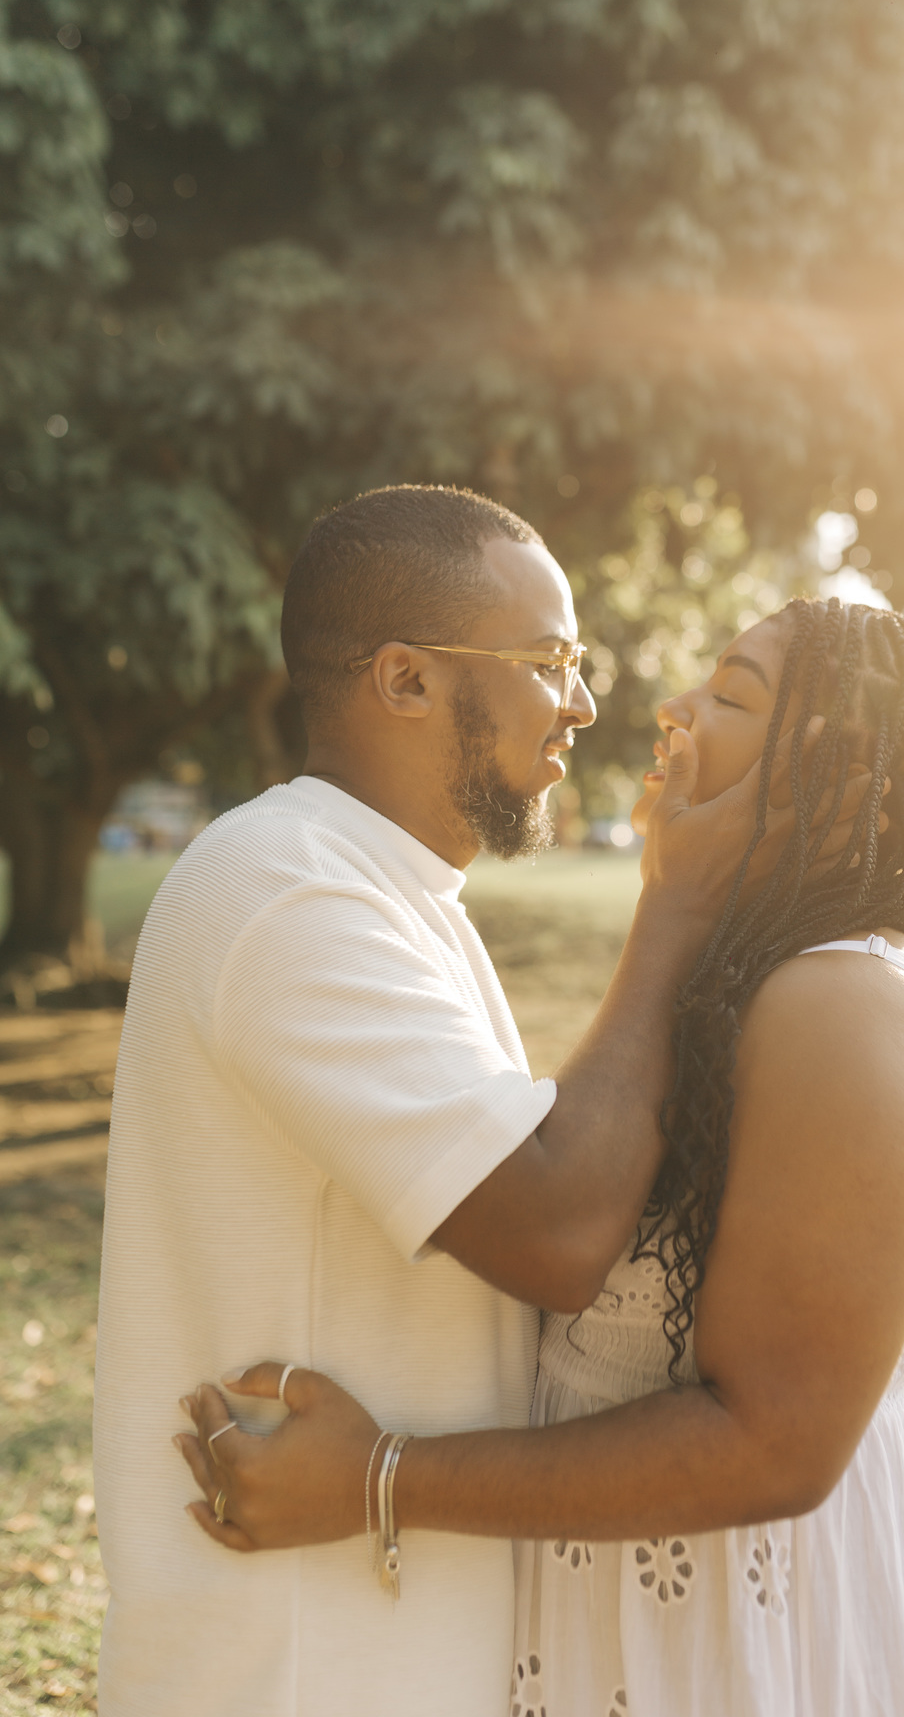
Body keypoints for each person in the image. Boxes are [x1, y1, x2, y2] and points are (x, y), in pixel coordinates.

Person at [180, 598, 904, 1717]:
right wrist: (674, 912)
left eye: (731, 696)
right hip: (653, 1602)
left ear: (843, 778)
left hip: (787, 1623)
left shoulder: (844, 1010)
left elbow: (772, 1447)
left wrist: (380, 1478)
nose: (672, 708)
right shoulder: (742, 976)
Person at [96, 485, 851, 1717]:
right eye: (549, 662)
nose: (583, 703)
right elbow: (558, 1231)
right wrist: (674, 907)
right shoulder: (289, 894)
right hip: (295, 1665)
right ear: (405, 679)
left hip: (370, 1637)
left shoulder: (385, 891)